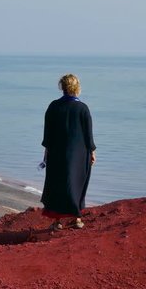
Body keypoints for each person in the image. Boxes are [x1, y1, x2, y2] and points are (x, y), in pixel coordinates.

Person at [41, 74, 96, 231]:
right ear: (77, 87)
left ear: (62, 87)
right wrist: (92, 150)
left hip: (57, 151)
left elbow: (48, 133)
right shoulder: (82, 108)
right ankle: (77, 218)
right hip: (79, 152)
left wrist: (46, 150)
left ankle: (57, 220)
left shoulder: (53, 106)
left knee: (57, 182)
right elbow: (88, 133)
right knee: (77, 182)